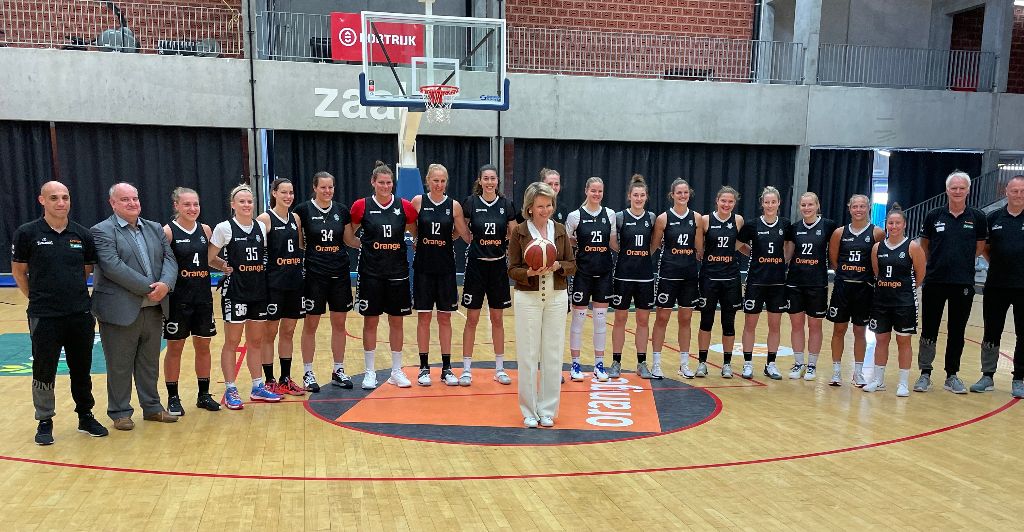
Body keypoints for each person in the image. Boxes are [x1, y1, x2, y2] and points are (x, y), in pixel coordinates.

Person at [12, 181, 108, 444]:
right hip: (44, 315)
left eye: (65, 197)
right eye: (54, 197)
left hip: (80, 314)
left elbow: (86, 271)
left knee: (81, 368)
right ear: (42, 200)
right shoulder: (27, 233)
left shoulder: (82, 234)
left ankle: (85, 415)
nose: (61, 202)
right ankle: (44, 420)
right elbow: (19, 272)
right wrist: (38, 298)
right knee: (44, 368)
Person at [92, 182, 178, 430]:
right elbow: (112, 266)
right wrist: (151, 288)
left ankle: (152, 407)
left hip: (153, 308)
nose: (132, 203)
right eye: (125, 199)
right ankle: (120, 412)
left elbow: (169, 259)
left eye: (135, 198)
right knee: (119, 365)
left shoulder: (154, 228)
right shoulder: (101, 231)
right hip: (119, 310)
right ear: (113, 203)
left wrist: (165, 285)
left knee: (149, 363)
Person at [508, 182, 576, 428]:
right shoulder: (519, 232)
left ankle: (547, 410)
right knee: (527, 355)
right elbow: (512, 269)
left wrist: (558, 266)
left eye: (549, 205)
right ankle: (528, 410)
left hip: (557, 296)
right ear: (529, 207)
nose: (545, 210)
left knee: (553, 354)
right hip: (528, 297)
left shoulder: (559, 230)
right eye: (540, 206)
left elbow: (572, 264)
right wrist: (529, 272)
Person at [208, 184, 281, 409]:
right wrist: (224, 266)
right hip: (235, 293)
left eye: (249, 201)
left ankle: (257, 386)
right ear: (233, 204)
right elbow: (208, 257)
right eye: (242, 201)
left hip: (258, 292)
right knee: (232, 342)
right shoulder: (224, 228)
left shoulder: (260, 227)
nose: (246, 205)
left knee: (255, 341)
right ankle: (231, 388)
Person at [914, 171, 987, 394]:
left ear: (968, 190)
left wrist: (961, 262)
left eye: (961, 188)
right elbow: (924, 246)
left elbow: (979, 247)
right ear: (947, 190)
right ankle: (925, 373)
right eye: (953, 188)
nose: (957, 191)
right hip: (935, 281)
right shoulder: (933, 215)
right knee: (929, 328)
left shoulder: (977, 217)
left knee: (957, 330)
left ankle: (951, 375)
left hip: (962, 282)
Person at [347, 161, 418, 389]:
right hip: (371, 273)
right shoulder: (361, 206)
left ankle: (396, 371)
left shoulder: (404, 207)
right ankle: (370, 372)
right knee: (371, 322)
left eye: (389, 183)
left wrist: (414, 242)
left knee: (397, 322)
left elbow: (415, 233)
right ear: (373, 182)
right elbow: (348, 235)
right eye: (381, 182)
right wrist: (365, 245)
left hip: (397, 273)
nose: (385, 186)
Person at [293, 171, 359, 392]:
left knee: (339, 324)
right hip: (314, 274)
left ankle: (338, 370)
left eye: (330, 187)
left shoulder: (341, 210)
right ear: (315, 188)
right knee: (311, 324)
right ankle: (308, 372)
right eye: (323, 187)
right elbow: (300, 243)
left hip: (340, 273)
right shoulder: (302, 210)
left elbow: (349, 240)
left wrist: (376, 242)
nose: (327, 191)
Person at [161, 187, 220, 416]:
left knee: (203, 346)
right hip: (178, 300)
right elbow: (162, 264)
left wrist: (225, 265)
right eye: (187, 204)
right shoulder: (168, 232)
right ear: (176, 205)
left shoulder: (205, 230)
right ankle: (173, 397)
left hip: (203, 298)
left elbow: (207, 259)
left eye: (196, 204)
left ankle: (203, 394)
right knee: (175, 348)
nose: (192, 208)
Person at [411, 164, 469, 386]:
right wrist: (417, 238)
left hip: (445, 268)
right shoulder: (418, 202)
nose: (439, 184)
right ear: (427, 180)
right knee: (424, 317)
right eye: (435, 180)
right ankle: (424, 368)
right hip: (424, 268)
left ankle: (446, 368)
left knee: (445, 318)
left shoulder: (453, 205)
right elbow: (411, 227)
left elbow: (462, 233)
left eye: (443, 180)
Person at [460, 164, 518, 386]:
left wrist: (504, 245)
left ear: (497, 181)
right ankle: (466, 370)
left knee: (497, 319)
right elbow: (463, 229)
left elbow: (514, 233)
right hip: (476, 267)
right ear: (480, 181)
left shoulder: (506, 205)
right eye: (486, 178)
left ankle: (500, 369)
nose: (490, 182)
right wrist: (473, 242)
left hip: (498, 268)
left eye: (493, 178)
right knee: (472, 319)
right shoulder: (471, 203)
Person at [863, 204, 926, 396]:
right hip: (881, 301)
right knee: (881, 340)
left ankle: (903, 383)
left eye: (898, 223)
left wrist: (904, 289)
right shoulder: (877, 248)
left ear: (904, 224)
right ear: (886, 224)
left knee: (903, 341)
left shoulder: (912, 247)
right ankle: (878, 380)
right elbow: (877, 272)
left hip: (904, 302)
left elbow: (920, 274)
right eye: (891, 223)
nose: (894, 226)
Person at [826, 194, 884, 387]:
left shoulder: (877, 233)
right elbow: (834, 260)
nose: (858, 210)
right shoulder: (839, 233)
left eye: (862, 206)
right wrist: (846, 274)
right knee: (839, 329)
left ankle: (858, 372)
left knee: (860, 331)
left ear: (868, 208)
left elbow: (879, 261)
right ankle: (836, 372)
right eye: (855, 206)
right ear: (849, 208)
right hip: (843, 287)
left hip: (864, 289)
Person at [256, 178, 306, 397]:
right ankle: (269, 380)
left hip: (294, 282)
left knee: (289, 331)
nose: (288, 196)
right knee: (270, 333)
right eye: (284, 192)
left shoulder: (296, 218)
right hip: (273, 284)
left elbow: (300, 246)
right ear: (274, 193)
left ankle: (285, 378)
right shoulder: (264, 219)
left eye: (291, 192)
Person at [974, 175, 1024, 397]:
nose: (1019, 195)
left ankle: (1019, 378)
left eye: (1022, 191)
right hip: (996, 285)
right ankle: (987, 375)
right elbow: (985, 248)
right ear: (1007, 192)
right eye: (1015, 191)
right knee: (991, 331)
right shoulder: (993, 218)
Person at [566, 177, 618, 382]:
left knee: (600, 320)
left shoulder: (610, 214)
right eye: (593, 190)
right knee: (578, 319)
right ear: (586, 191)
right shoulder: (575, 216)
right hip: (583, 273)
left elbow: (612, 242)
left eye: (600, 191)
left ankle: (599, 365)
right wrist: (578, 243)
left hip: (603, 273)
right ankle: (575, 364)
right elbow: (567, 239)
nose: (597, 194)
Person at [651, 179, 703, 379]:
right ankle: (656, 363)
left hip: (689, 275)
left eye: (685, 192)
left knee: (686, 319)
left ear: (690, 194)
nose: (682, 195)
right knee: (662, 318)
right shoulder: (663, 218)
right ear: (672, 195)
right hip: (668, 274)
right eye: (679, 192)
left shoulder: (696, 218)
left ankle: (684, 364)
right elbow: (655, 245)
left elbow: (699, 248)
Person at [737, 186, 789, 380]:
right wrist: (753, 254)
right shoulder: (752, 225)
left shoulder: (785, 224)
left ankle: (771, 364)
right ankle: (747, 364)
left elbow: (789, 245)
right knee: (750, 324)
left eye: (773, 202)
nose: (770, 205)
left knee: (775, 325)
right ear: (762, 204)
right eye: (767, 202)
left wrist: (783, 260)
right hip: (756, 281)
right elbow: (738, 244)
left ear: (778, 203)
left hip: (777, 283)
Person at [784, 192, 837, 381]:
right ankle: (799, 363)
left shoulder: (828, 226)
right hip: (795, 282)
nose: (806, 208)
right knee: (796, 325)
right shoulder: (794, 228)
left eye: (810, 205)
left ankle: (812, 365)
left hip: (817, 283)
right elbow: (788, 255)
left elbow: (835, 252)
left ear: (817, 205)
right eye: (803, 205)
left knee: (815, 326)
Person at [610, 174, 656, 379]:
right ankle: (616, 362)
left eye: (642, 195)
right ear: (629, 196)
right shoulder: (620, 217)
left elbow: (654, 244)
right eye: (635, 195)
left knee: (643, 320)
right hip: (623, 275)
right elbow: (613, 242)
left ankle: (641, 363)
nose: (638, 198)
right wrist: (626, 254)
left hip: (645, 276)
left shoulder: (652, 218)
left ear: (646, 197)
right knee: (620, 318)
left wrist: (643, 255)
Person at [697, 186, 744, 378]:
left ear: (735, 203)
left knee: (728, 322)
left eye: (730, 201)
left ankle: (727, 364)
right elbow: (699, 248)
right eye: (723, 200)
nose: (726, 204)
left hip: (731, 278)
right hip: (709, 278)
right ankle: (702, 363)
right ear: (717, 200)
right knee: (706, 320)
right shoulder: (705, 220)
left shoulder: (738, 220)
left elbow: (738, 245)